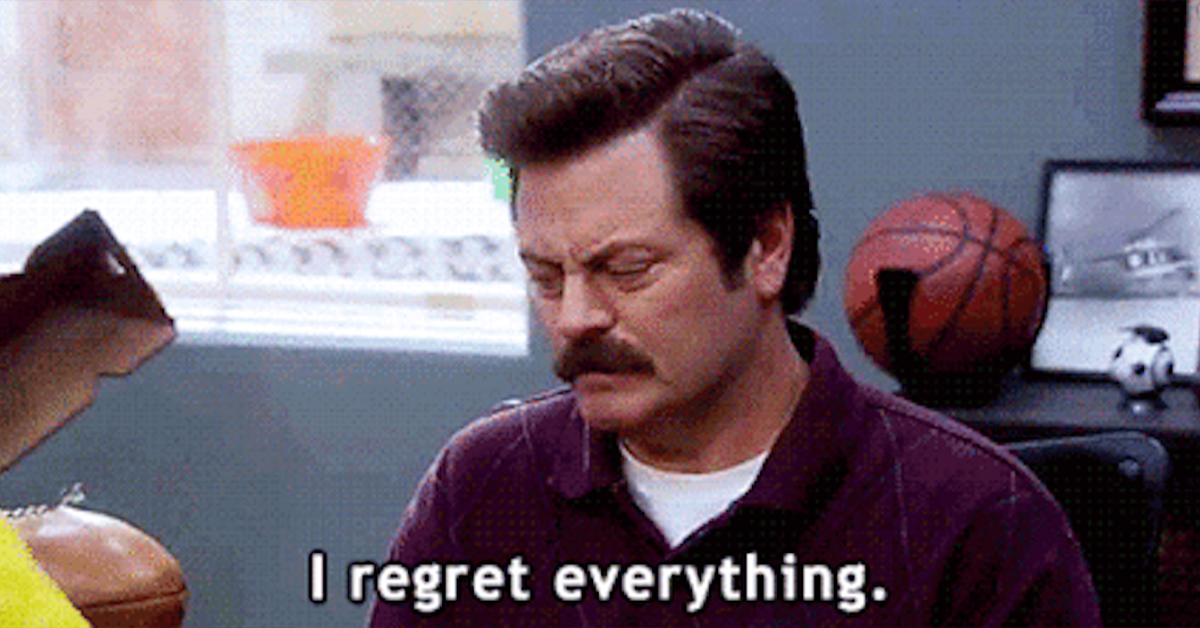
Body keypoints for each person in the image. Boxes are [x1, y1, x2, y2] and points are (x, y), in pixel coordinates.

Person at [367, 9, 1099, 626]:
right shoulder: (483, 487)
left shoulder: (979, 524)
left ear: (766, 247)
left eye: (628, 269)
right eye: (546, 276)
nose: (576, 318)